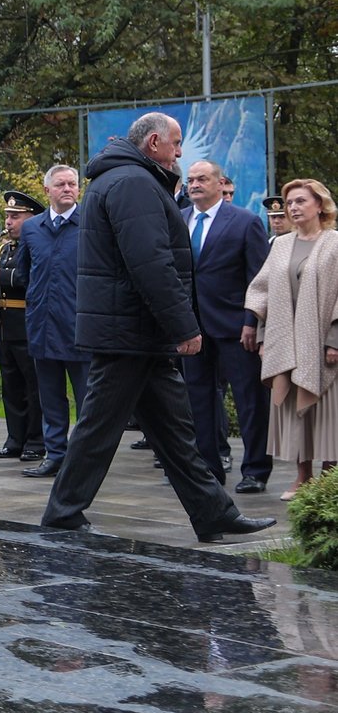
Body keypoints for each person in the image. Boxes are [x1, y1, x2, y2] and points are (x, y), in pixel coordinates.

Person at [39, 113, 273, 543]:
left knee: (175, 432)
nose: (181, 152)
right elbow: (151, 265)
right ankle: (63, 512)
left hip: (136, 331)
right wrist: (184, 326)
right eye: (176, 143)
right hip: (130, 332)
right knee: (98, 427)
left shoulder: (125, 179)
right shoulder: (133, 183)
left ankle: (212, 513)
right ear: (153, 143)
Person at [180, 160, 271, 491]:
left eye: (202, 179)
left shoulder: (245, 222)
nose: (195, 185)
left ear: (220, 184)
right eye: (190, 180)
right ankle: (208, 469)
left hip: (236, 327)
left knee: (249, 399)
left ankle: (256, 470)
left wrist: (252, 322)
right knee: (199, 400)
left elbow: (259, 279)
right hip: (193, 329)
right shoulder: (180, 220)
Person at [246, 179, 338, 500]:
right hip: (286, 340)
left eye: (300, 201)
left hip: (324, 342)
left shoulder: (334, 243)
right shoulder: (281, 245)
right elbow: (263, 290)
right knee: (294, 411)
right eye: (290, 204)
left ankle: (328, 481)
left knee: (327, 412)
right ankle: (302, 478)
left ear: (320, 205)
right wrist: (260, 336)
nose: (293, 208)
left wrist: (334, 340)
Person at [16, 164, 88, 480]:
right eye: (60, 184)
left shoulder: (90, 224)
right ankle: (55, 454)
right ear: (47, 190)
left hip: (79, 327)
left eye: (72, 183)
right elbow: (22, 272)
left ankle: (85, 460)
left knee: (88, 400)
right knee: (50, 397)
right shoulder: (32, 228)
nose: (68, 188)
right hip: (42, 325)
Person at [0, 191, 45, 462]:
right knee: (11, 386)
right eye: (8, 216)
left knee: (34, 386)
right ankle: (15, 438)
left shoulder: (38, 244)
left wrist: (2, 275)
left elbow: (35, 278)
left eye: (15, 217)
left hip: (28, 322)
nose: (8, 222)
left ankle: (35, 440)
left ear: (32, 218)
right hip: (7, 326)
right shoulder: (5, 248)